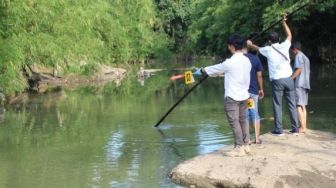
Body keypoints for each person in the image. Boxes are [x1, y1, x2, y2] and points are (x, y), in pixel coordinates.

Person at [195, 34, 252, 157]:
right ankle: (246, 145)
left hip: (232, 96)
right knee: (243, 120)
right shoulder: (247, 60)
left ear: (231, 46)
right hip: (244, 95)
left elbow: (214, 69)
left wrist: (202, 70)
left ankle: (239, 147)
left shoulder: (229, 62)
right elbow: (220, 71)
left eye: (229, 45)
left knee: (234, 122)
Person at [247, 15, 299, 136]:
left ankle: (279, 130)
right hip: (289, 79)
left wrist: (249, 44)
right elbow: (290, 35)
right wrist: (284, 23)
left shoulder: (267, 49)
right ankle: (295, 128)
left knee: (277, 104)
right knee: (291, 103)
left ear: (269, 41)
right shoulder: (285, 45)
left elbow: (256, 47)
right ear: (278, 39)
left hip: (277, 81)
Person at [243, 45, 264, 144]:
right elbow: (259, 75)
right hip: (253, 91)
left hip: (243, 91)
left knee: (246, 114)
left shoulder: (242, 58)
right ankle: (257, 138)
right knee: (254, 112)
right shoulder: (256, 59)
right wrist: (261, 89)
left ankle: (247, 139)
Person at [290, 41, 310, 133]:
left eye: (292, 51)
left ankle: (302, 127)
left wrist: (291, 78)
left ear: (295, 49)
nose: (292, 53)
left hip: (299, 84)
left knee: (298, 105)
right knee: (303, 106)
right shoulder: (305, 57)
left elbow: (299, 69)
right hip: (306, 84)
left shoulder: (298, 56)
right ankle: (304, 126)